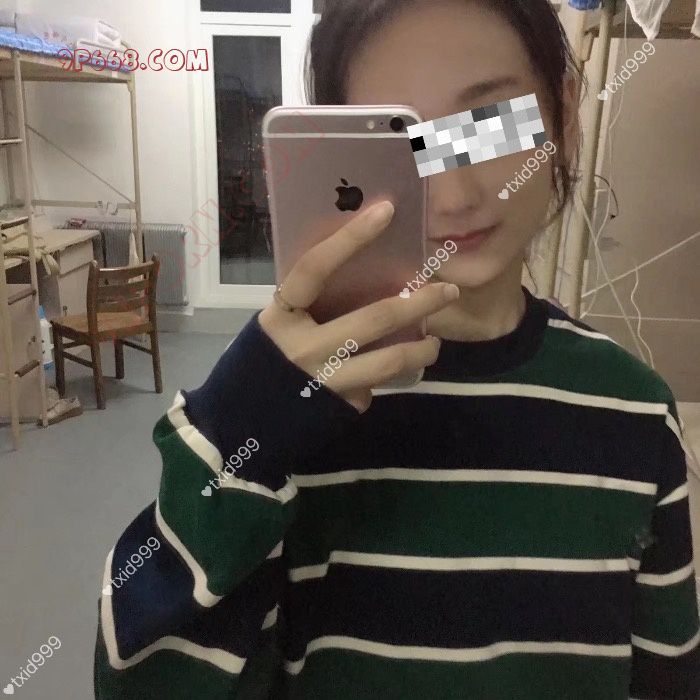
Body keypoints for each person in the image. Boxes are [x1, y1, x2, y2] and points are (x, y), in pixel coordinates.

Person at [93, 1, 700, 697]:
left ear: (563, 115)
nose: (454, 195)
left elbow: (668, 678)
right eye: (404, 143)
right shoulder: (287, 411)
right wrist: (240, 430)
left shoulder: (635, 411)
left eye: (489, 124)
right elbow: (141, 678)